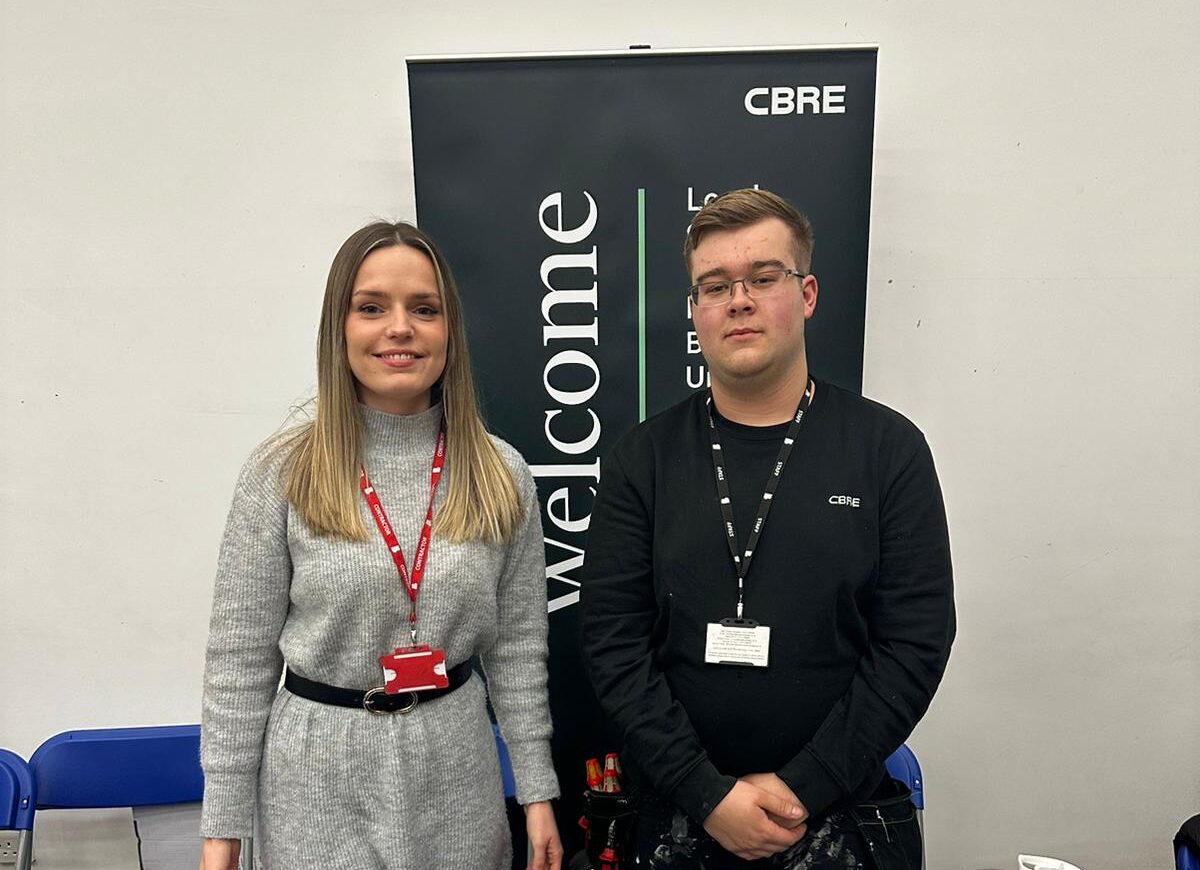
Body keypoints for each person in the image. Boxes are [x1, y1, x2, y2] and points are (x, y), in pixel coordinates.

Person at [579, 189, 955, 869]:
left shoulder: (888, 450)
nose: (739, 300)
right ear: (695, 311)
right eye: (714, 286)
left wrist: (800, 789)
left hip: (841, 815)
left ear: (807, 294)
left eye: (763, 278)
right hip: (677, 818)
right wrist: (706, 794)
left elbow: (916, 641)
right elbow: (612, 642)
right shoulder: (644, 459)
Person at [199, 221, 562, 870]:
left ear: (450, 331)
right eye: (371, 308)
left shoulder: (501, 474)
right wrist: (222, 834)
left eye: (424, 309)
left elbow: (517, 647)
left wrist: (536, 792)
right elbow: (239, 664)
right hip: (317, 788)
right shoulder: (281, 473)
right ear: (339, 330)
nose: (400, 328)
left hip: (457, 777)